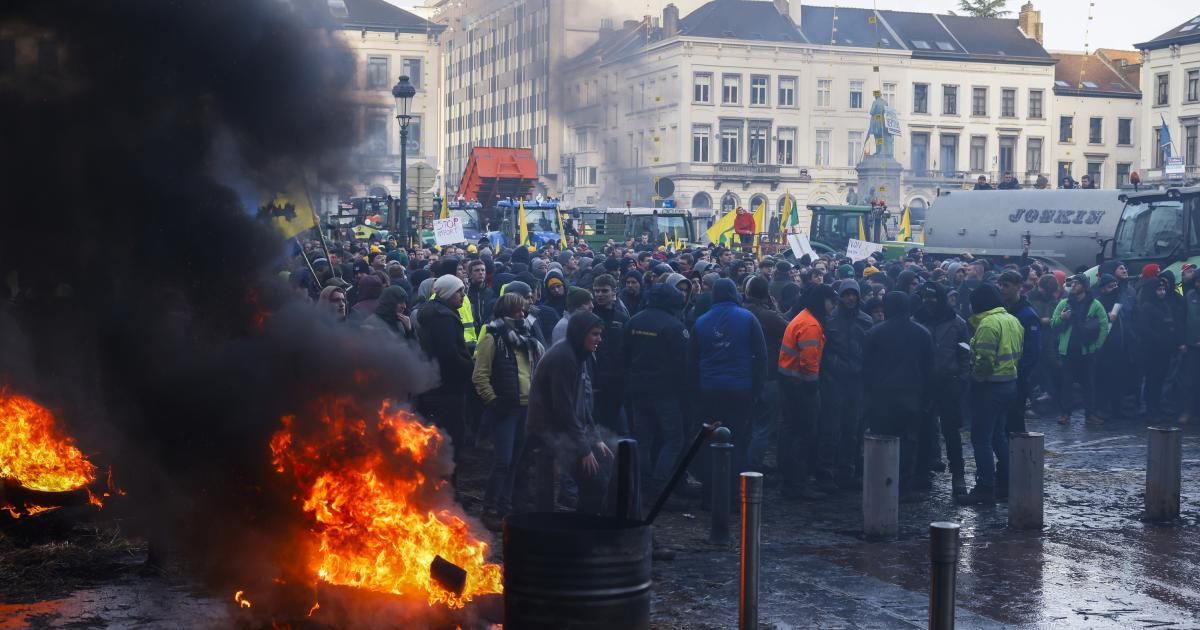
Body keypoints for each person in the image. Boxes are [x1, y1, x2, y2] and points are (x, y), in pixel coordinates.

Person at [689, 278, 768, 507]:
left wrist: (695, 393)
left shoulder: (701, 321)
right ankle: (733, 495)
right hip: (740, 390)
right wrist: (756, 389)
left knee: (710, 443)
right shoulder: (747, 318)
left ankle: (710, 494)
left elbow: (691, 361)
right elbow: (762, 357)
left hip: (709, 391)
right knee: (739, 442)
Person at [526, 311, 611, 514]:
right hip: (547, 430)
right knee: (592, 482)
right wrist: (584, 449)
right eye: (594, 334)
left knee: (599, 475)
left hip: (564, 428)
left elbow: (580, 404)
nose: (599, 339)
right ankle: (577, 534)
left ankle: (583, 530)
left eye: (600, 334)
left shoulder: (578, 354)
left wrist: (596, 437)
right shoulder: (564, 357)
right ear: (581, 334)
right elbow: (563, 408)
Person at [473, 293, 544, 528]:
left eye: (523, 310)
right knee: (502, 461)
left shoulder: (526, 337)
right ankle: (490, 508)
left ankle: (504, 505)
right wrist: (493, 401)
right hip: (505, 409)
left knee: (515, 460)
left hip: (525, 408)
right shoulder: (493, 338)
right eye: (517, 310)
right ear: (506, 311)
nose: (522, 314)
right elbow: (480, 375)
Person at [623, 283, 689, 505]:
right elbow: (683, 363)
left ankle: (643, 485)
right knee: (674, 439)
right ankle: (660, 489)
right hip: (665, 392)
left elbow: (624, 353)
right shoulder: (674, 325)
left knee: (643, 439)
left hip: (638, 389)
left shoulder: (635, 320)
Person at [862, 292, 934, 496]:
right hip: (912, 396)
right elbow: (930, 369)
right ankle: (903, 486)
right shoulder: (923, 333)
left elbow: (866, 367)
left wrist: (868, 393)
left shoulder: (875, 332)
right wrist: (928, 398)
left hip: (882, 397)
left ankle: (881, 484)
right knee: (909, 442)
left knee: (882, 441)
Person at [959, 284, 1023, 505]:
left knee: (981, 439)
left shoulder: (987, 324)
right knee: (998, 436)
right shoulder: (1012, 320)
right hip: (1009, 384)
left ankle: (985, 487)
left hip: (989, 387)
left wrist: (975, 378)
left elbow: (985, 360)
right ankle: (1006, 482)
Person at [778, 284, 837, 500]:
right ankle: (798, 483)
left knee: (789, 432)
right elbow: (809, 361)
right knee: (803, 435)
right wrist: (813, 386)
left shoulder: (802, 316)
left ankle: (789, 480)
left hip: (789, 382)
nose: (833, 306)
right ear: (822, 301)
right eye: (832, 301)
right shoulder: (812, 325)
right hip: (801, 387)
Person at [913, 282, 971, 496]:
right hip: (925, 385)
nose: (930, 302)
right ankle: (922, 473)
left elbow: (965, 354)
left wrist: (961, 380)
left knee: (951, 433)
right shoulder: (916, 321)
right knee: (924, 430)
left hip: (949, 384)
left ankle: (958, 476)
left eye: (933, 298)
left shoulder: (958, 324)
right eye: (926, 298)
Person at [416, 273, 475, 482]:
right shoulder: (444, 318)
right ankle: (448, 492)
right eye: (459, 291)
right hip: (449, 389)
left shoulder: (435, 313)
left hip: (438, 386)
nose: (463, 294)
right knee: (451, 441)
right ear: (448, 292)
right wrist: (470, 366)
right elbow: (449, 355)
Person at [818, 278, 873, 490]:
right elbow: (823, 351)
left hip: (856, 381)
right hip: (833, 381)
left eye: (853, 294)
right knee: (830, 428)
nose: (850, 298)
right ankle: (826, 472)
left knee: (852, 429)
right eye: (847, 294)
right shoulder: (829, 321)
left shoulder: (866, 321)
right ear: (840, 297)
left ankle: (846, 471)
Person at [743, 275, 788, 472]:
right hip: (769, 374)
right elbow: (788, 329)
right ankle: (753, 467)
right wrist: (775, 308)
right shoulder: (768, 315)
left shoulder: (743, 311)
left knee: (749, 424)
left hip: (747, 374)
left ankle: (744, 463)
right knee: (763, 427)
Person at [1050, 275, 1110, 425]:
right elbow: (1053, 323)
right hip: (1067, 350)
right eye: (1072, 283)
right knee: (1066, 384)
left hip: (1086, 351)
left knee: (1089, 384)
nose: (1073, 285)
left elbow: (1104, 325)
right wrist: (1062, 318)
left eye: (1076, 283)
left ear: (1084, 285)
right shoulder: (1064, 303)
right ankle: (1065, 414)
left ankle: (1090, 414)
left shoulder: (1095, 305)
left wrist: (1096, 346)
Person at [1135, 274, 1185, 421]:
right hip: (1152, 351)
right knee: (1152, 381)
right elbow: (1145, 329)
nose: (1162, 292)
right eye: (1159, 289)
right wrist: (1161, 340)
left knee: (1160, 381)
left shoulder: (1164, 305)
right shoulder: (1147, 307)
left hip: (1164, 351)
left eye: (1163, 289)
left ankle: (1156, 408)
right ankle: (1151, 410)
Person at [998, 270, 1040, 434]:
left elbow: (1032, 352)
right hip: (1003, 376)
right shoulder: (1002, 310)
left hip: (1017, 378)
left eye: (1006, 286)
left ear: (1018, 287)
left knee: (1015, 422)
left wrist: (1019, 374)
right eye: (1000, 285)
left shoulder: (1028, 315)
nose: (1002, 289)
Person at [590, 274, 629, 435]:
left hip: (617, 379)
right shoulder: (590, 315)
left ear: (614, 292)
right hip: (595, 378)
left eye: (604, 291)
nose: (599, 294)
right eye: (596, 291)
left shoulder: (622, 315)